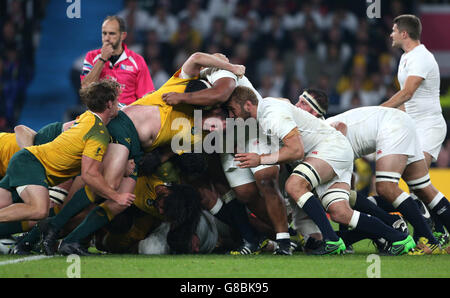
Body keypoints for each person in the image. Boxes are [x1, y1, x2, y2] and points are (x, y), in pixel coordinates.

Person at [38, 52, 253, 255]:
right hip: (123, 128)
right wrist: (230, 66)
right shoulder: (177, 87)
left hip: (135, 149)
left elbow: (173, 151)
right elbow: (197, 58)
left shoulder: (196, 133)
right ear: (213, 108)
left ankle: (66, 239)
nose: (218, 129)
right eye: (222, 122)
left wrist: (160, 158)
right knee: (98, 182)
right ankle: (48, 229)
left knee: (118, 201)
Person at [226, 86, 416, 255]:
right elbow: (285, 105)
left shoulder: (271, 115)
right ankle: (398, 237)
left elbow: (296, 150)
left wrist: (260, 159)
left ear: (248, 105)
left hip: (328, 149)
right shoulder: (269, 106)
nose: (232, 116)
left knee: (294, 185)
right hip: (335, 151)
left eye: (233, 110)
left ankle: (332, 241)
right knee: (340, 212)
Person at [296, 89, 449, 255]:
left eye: (302, 103)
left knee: (385, 187)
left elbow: (341, 128)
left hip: (391, 126)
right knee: (422, 187)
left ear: (314, 112)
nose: (297, 105)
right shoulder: (318, 132)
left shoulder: (322, 129)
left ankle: (426, 238)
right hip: (401, 122)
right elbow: (348, 184)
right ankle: (418, 230)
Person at [162, 64, 292, 255]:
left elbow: (215, 79)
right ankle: (282, 233)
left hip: (254, 129)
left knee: (265, 179)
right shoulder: (193, 101)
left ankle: (284, 241)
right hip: (229, 139)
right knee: (245, 193)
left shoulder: (218, 75)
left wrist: (182, 97)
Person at [0, 79, 135, 232]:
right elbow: (89, 174)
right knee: (40, 210)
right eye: (116, 101)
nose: (118, 104)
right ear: (109, 104)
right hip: (31, 164)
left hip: (27, 161)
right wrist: (117, 197)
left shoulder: (86, 117)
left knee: (7, 202)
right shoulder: (98, 133)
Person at [382, 14, 446, 170]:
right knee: (390, 177)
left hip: (429, 126)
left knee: (418, 182)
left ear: (404, 34)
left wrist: (379, 110)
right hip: (411, 126)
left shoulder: (421, 57)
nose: (391, 35)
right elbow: (408, 102)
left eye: (394, 30)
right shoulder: (405, 57)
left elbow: (407, 93)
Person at [81, 15, 154, 106]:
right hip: (100, 116)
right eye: (104, 33)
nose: (107, 38)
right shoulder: (91, 57)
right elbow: (85, 88)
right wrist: (102, 59)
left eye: (112, 33)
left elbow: (146, 97)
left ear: (123, 36)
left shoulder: (137, 61)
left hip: (127, 117)